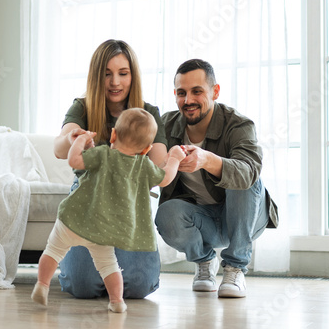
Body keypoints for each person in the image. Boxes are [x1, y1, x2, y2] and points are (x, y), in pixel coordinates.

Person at [32, 109, 186, 312]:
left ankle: (42, 286)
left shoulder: (102, 153)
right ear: (146, 148)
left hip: (74, 219)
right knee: (108, 266)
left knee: (53, 251)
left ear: (113, 135)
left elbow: (74, 161)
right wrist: (174, 157)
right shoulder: (143, 165)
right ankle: (116, 301)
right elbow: (165, 178)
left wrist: (82, 140)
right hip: (103, 232)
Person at [53, 39, 169, 299]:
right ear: (96, 77)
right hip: (89, 201)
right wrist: (73, 139)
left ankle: (109, 276)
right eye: (107, 74)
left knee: (139, 287)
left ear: (133, 76)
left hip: (129, 201)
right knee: (82, 286)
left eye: (122, 73)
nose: (115, 81)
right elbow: (59, 149)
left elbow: (158, 166)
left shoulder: (149, 113)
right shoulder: (82, 107)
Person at [155, 59, 279, 298]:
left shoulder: (238, 124)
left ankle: (235, 268)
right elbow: (146, 165)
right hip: (203, 220)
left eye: (197, 91)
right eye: (182, 93)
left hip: (247, 216)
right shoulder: (166, 126)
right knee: (166, 213)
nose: (188, 100)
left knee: (243, 177)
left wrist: (207, 160)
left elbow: (250, 170)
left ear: (215, 91)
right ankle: (204, 261)